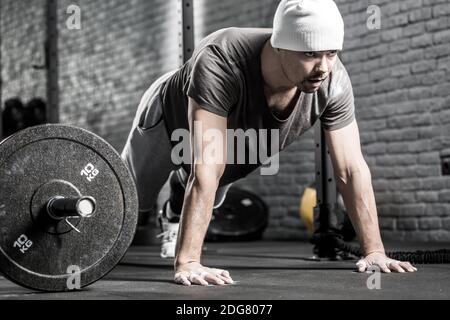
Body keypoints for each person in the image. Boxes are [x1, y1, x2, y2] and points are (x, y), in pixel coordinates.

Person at [122, 0, 417, 286]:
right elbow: (207, 164)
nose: (323, 67)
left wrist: (374, 251)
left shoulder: (333, 81)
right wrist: (188, 263)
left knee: (211, 182)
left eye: (332, 53)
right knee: (128, 203)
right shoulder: (220, 58)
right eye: (311, 53)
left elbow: (351, 169)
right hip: (168, 117)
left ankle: (174, 209)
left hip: (233, 134)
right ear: (279, 45)